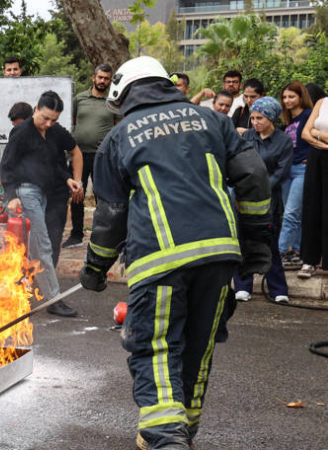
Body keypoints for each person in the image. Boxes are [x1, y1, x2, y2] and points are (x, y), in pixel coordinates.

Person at [79, 56, 271, 449]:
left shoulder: (119, 137)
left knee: (156, 347)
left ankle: (166, 438)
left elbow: (111, 215)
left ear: (122, 91)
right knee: (197, 350)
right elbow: (254, 178)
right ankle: (183, 432)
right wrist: (254, 246)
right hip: (219, 258)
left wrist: (95, 268)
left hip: (160, 260)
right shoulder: (213, 121)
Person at [0, 96, 84, 316]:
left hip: (44, 193)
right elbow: (6, 166)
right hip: (25, 192)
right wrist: (11, 195)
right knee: (43, 246)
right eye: (45, 118)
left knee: (33, 248)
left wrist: (67, 179)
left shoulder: (53, 131)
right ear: (36, 109)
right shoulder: (21, 132)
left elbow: (51, 164)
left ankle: (11, 291)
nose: (48, 124)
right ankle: (54, 299)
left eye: (53, 120)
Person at [233, 97, 292, 304]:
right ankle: (242, 286)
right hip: (243, 199)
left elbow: (281, 172)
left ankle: (278, 289)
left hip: (268, 200)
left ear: (272, 118)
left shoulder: (283, 141)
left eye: (260, 118)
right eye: (253, 118)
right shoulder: (246, 137)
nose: (255, 122)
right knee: (243, 242)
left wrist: (262, 187)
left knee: (269, 244)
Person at [63, 63, 120, 249]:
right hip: (79, 155)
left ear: (110, 81)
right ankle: (76, 235)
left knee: (102, 196)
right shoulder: (79, 99)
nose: (102, 81)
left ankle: (102, 235)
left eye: (106, 78)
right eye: (100, 77)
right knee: (77, 194)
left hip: (103, 157)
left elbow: (119, 128)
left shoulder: (113, 102)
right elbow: (72, 123)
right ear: (93, 78)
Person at [277, 82, 314, 267]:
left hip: (302, 168)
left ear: (301, 97)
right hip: (287, 169)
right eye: (284, 97)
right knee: (293, 214)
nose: (287, 100)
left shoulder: (308, 115)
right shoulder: (288, 119)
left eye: (291, 96)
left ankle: (279, 253)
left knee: (291, 213)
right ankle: (296, 251)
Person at [298, 88, 328, 278]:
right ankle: (309, 261)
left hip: (319, 149)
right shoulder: (322, 102)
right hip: (317, 158)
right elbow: (305, 133)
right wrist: (322, 141)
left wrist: (317, 134)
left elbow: (312, 132)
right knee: (312, 207)